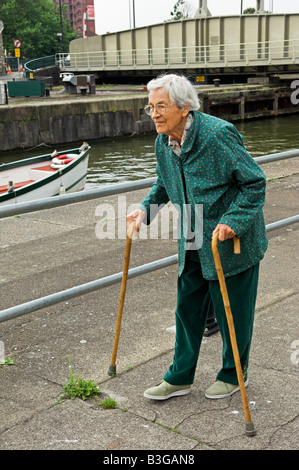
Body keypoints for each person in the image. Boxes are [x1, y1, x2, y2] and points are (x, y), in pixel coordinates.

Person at [126, 73, 268, 401]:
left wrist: (234, 220)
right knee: (187, 307)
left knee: (233, 310)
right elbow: (164, 183)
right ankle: (179, 376)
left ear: (184, 107)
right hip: (191, 230)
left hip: (229, 238)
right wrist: (146, 210)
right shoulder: (163, 142)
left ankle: (233, 375)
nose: (155, 114)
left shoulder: (217, 134)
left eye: (161, 106)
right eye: (151, 107)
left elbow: (254, 182)